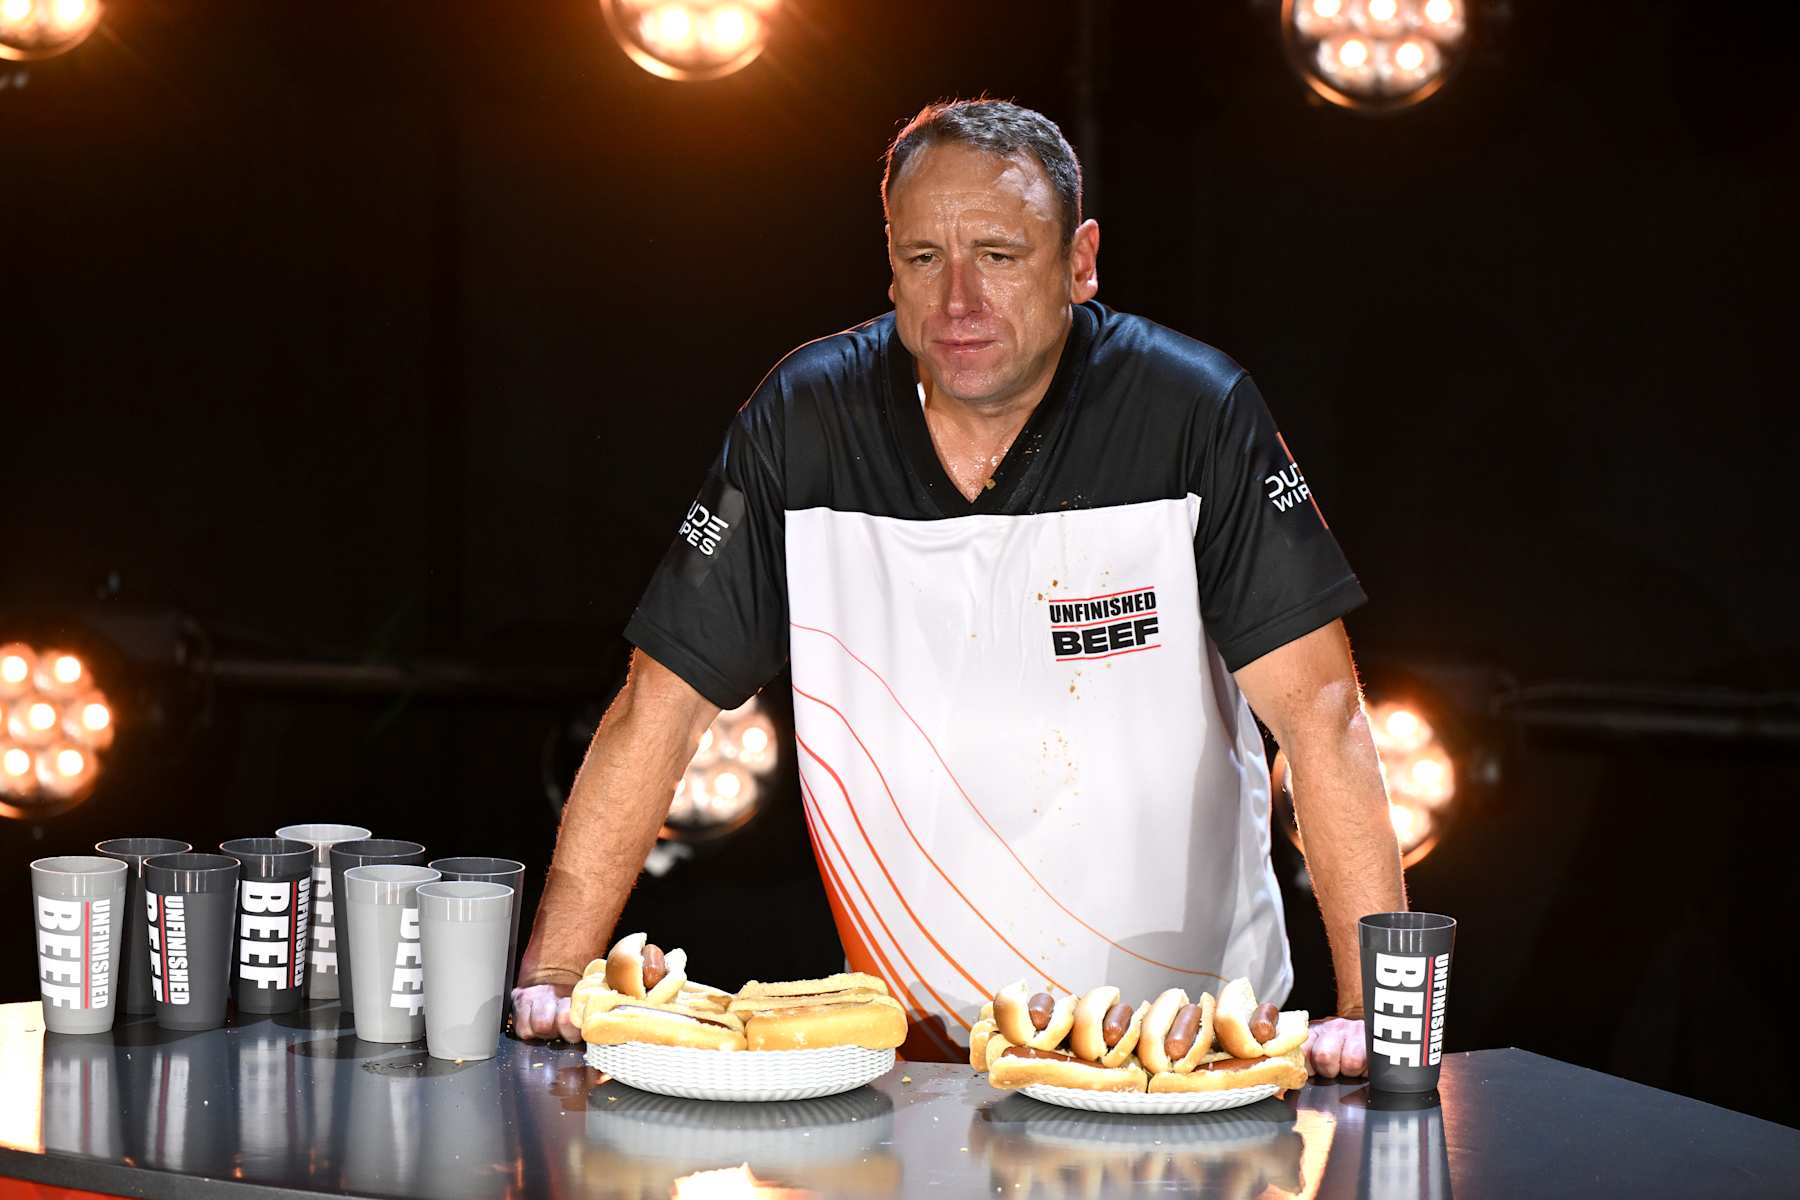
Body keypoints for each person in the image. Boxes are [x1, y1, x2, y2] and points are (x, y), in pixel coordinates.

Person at [512, 99, 1401, 1078]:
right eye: (925, 258)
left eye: (1001, 256)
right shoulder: (802, 421)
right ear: (888, 261)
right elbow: (657, 708)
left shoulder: (1193, 411)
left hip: (1184, 1056)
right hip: (914, 1065)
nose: (959, 302)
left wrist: (1371, 1015)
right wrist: (552, 978)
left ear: (1081, 260)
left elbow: (1321, 712)